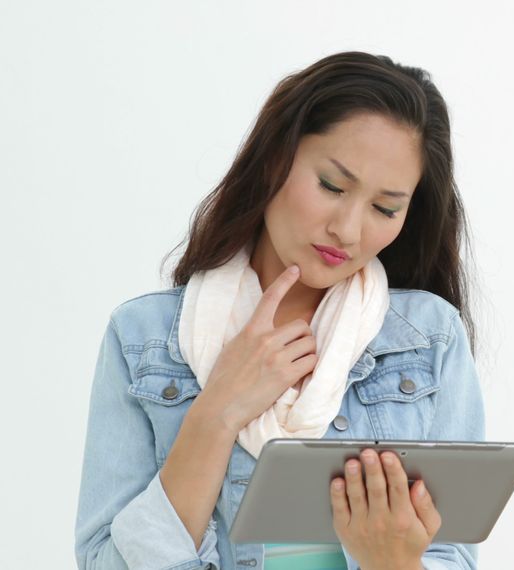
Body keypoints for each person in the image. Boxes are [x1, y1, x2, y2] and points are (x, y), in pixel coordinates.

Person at [75, 51, 483, 570]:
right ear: (275, 159)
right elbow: (103, 563)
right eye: (332, 186)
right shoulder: (144, 340)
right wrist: (216, 413)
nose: (349, 230)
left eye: (386, 209)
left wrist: (393, 562)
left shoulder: (429, 338)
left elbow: (453, 557)